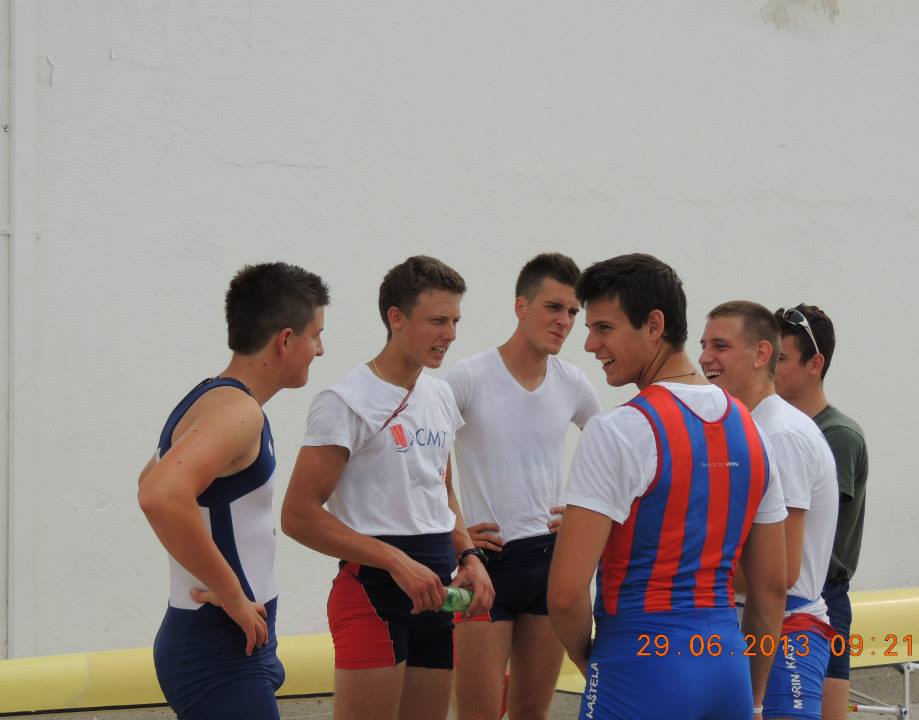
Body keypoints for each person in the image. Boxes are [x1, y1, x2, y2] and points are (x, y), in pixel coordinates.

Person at [548, 254, 788, 720]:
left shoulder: (618, 430)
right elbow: (772, 588)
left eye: (604, 328)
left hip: (639, 663)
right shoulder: (753, 430)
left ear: (654, 325)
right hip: (725, 664)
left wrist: (593, 663)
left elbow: (564, 594)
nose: (591, 344)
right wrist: (754, 697)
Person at [281, 255, 494, 720]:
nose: (450, 334)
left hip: (436, 592)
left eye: (455, 321)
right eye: (437, 321)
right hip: (373, 592)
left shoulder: (439, 395)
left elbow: (441, 491)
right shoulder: (345, 401)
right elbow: (298, 515)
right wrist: (397, 561)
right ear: (396, 317)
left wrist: (469, 555)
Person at [138, 262, 330, 719]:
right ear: (285, 340)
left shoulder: (214, 398)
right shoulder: (238, 412)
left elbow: (149, 480)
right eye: (316, 335)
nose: (321, 349)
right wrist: (230, 593)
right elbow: (159, 496)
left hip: (225, 641)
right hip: (218, 648)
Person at [447, 253, 602, 720]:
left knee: (532, 713)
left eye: (572, 312)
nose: (564, 321)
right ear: (521, 306)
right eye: (554, 307)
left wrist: (581, 514)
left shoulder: (573, 382)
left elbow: (614, 454)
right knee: (478, 714)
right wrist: (459, 536)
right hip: (486, 563)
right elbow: (426, 462)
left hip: (549, 562)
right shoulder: (469, 377)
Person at [700, 300, 839, 720]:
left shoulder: (779, 434)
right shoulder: (748, 426)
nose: (704, 357)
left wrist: (677, 564)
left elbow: (780, 573)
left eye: (720, 346)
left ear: (762, 354)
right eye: (703, 345)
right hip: (747, 624)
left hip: (783, 631)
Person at [774, 303, 869, 720]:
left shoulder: (837, 435)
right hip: (774, 593)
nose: (768, 367)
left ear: (815, 364)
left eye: (780, 358)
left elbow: (815, 531)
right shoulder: (773, 427)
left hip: (819, 596)